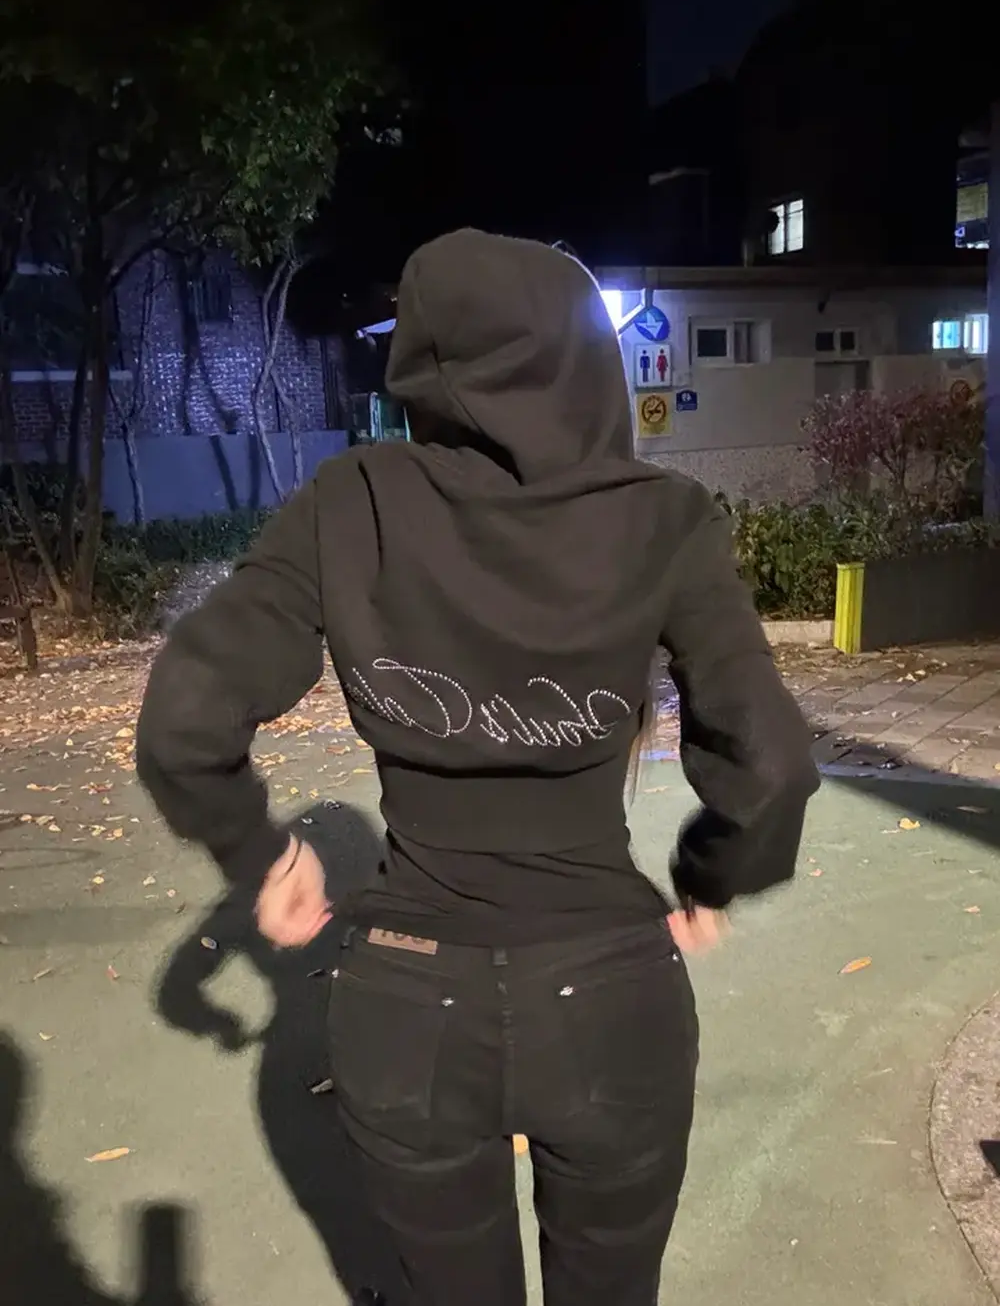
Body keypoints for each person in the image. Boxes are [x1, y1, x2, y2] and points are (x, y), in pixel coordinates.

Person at [136, 230, 820, 1306]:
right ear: (587, 362)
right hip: (610, 996)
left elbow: (184, 715)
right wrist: (711, 875)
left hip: (406, 1006)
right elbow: (771, 760)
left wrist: (258, 854)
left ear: (421, 363)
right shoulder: (663, 519)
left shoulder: (351, 501)